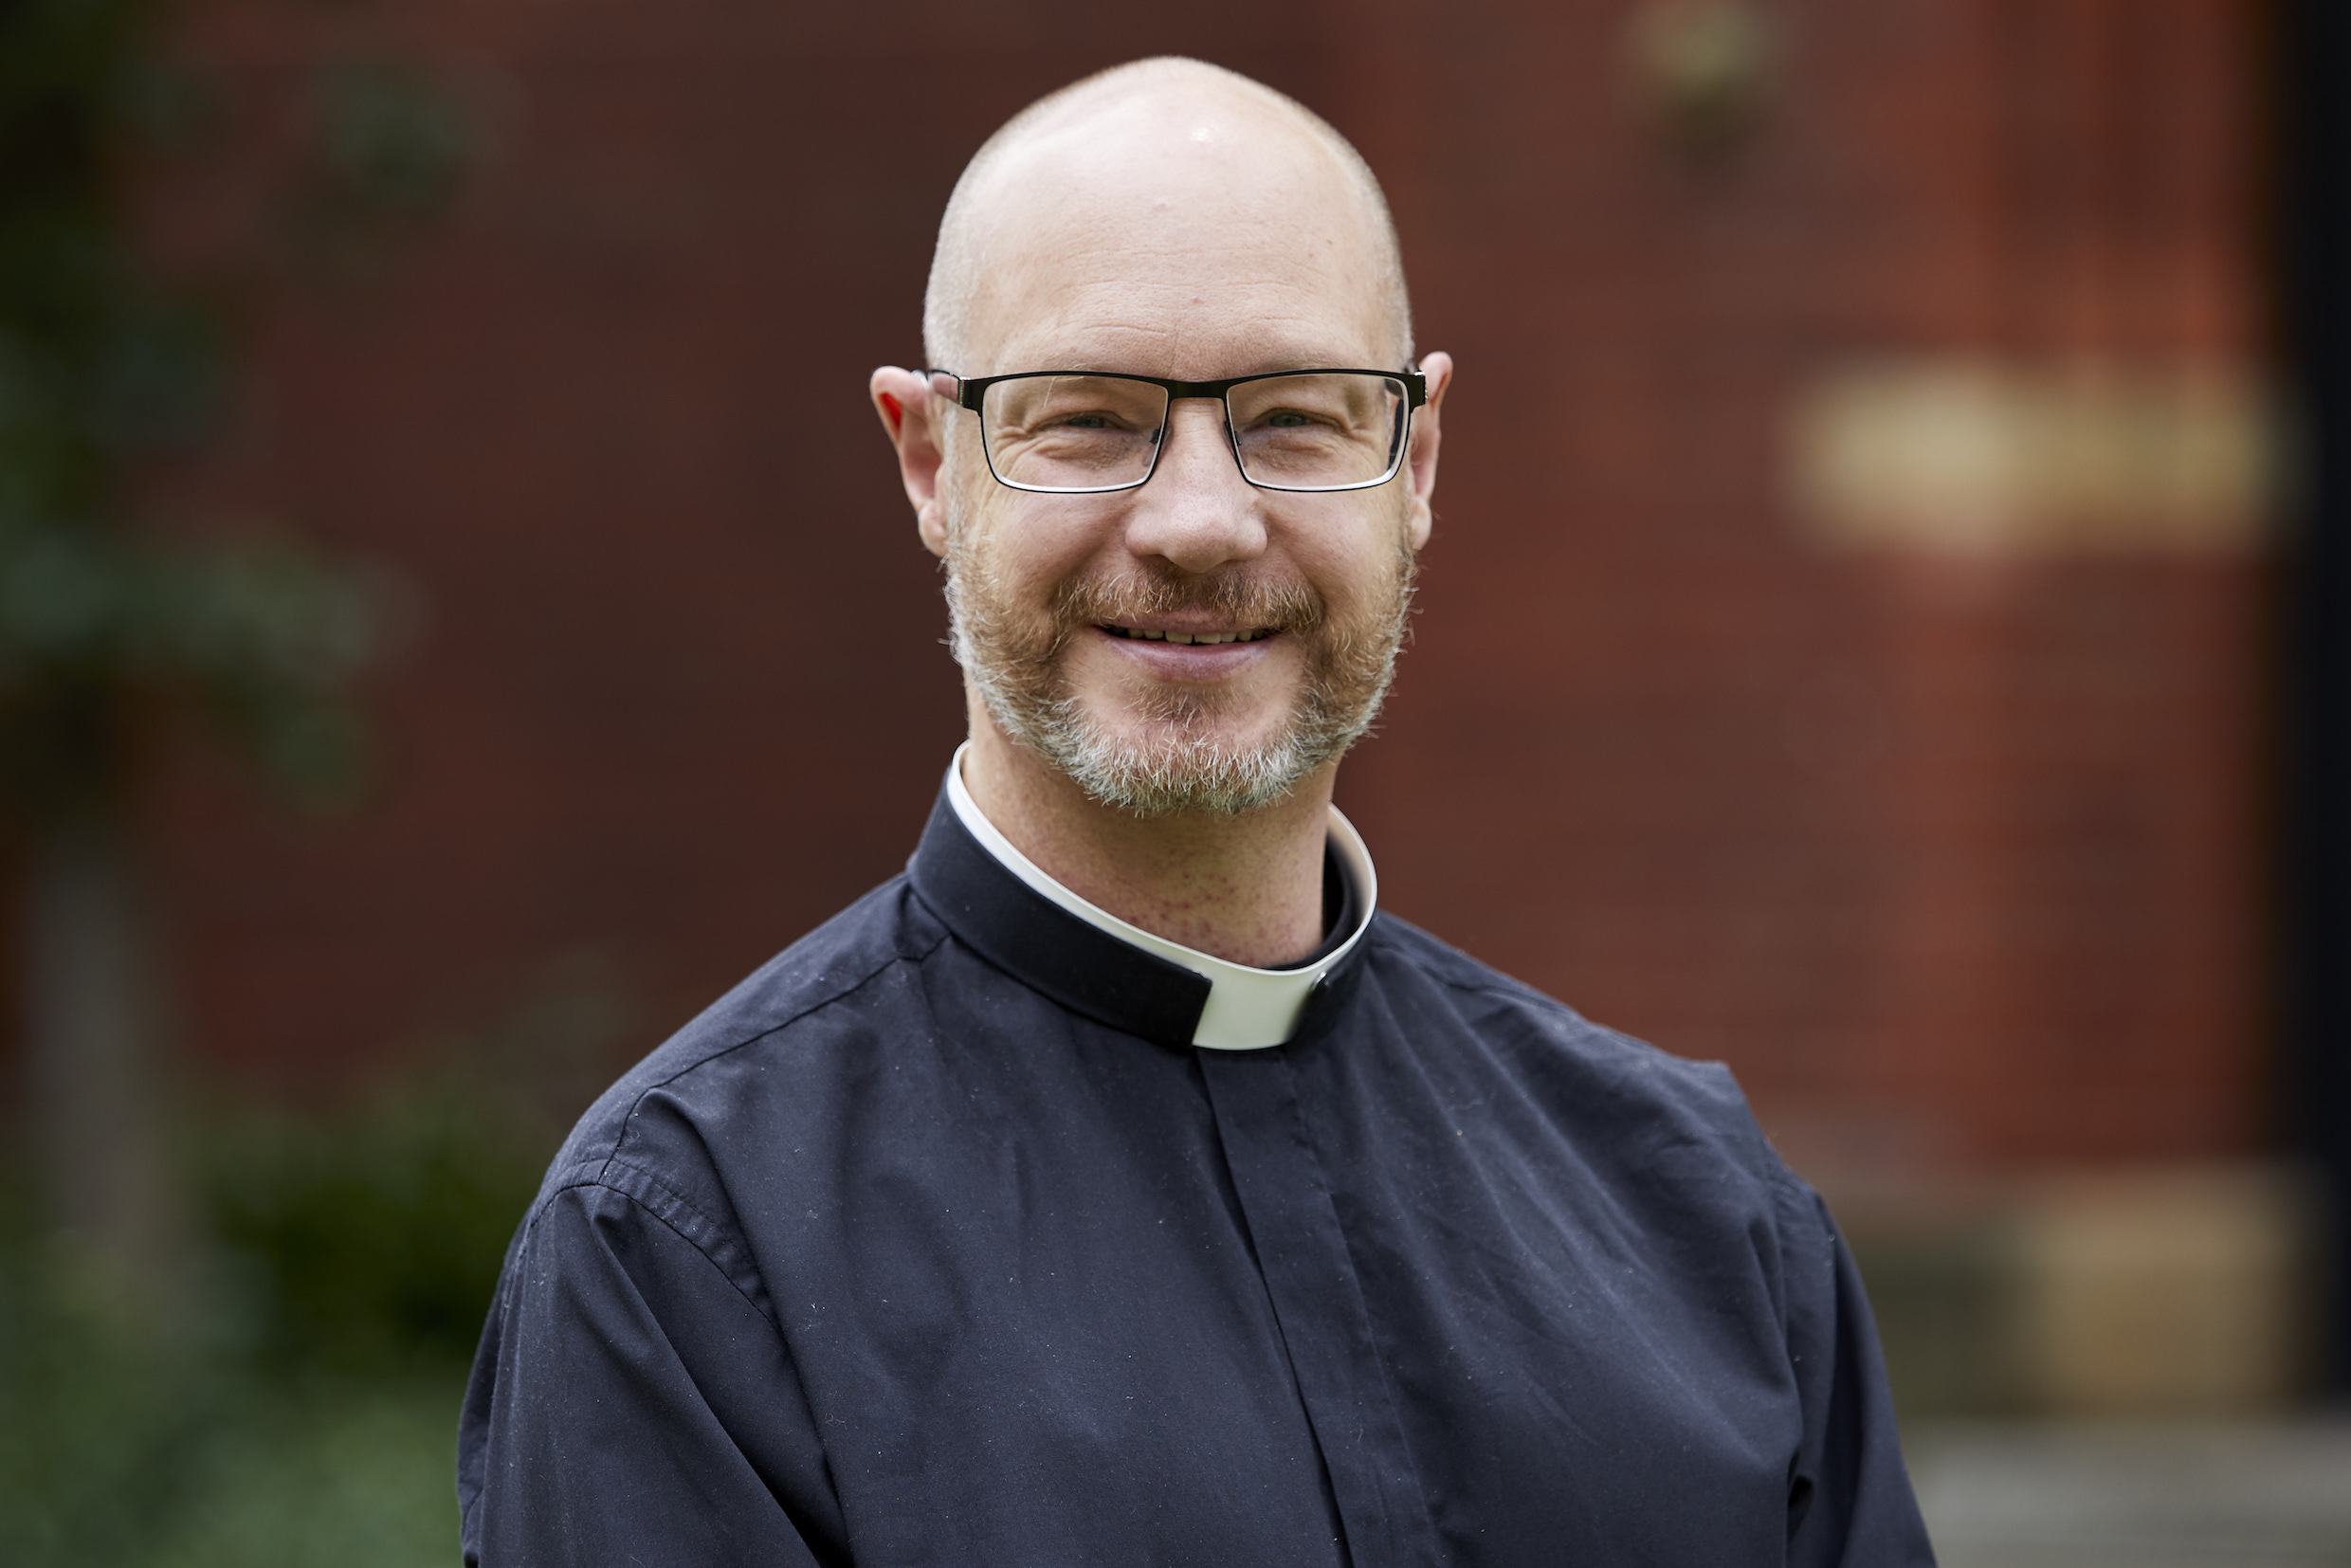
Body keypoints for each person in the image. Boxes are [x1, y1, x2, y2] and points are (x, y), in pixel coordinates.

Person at [458, 56, 1934, 1568]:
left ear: (1414, 460)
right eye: (1087, 419)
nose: (1201, 523)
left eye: (1296, 417)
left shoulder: (1703, 1218)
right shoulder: (688, 1253)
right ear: (929, 461)